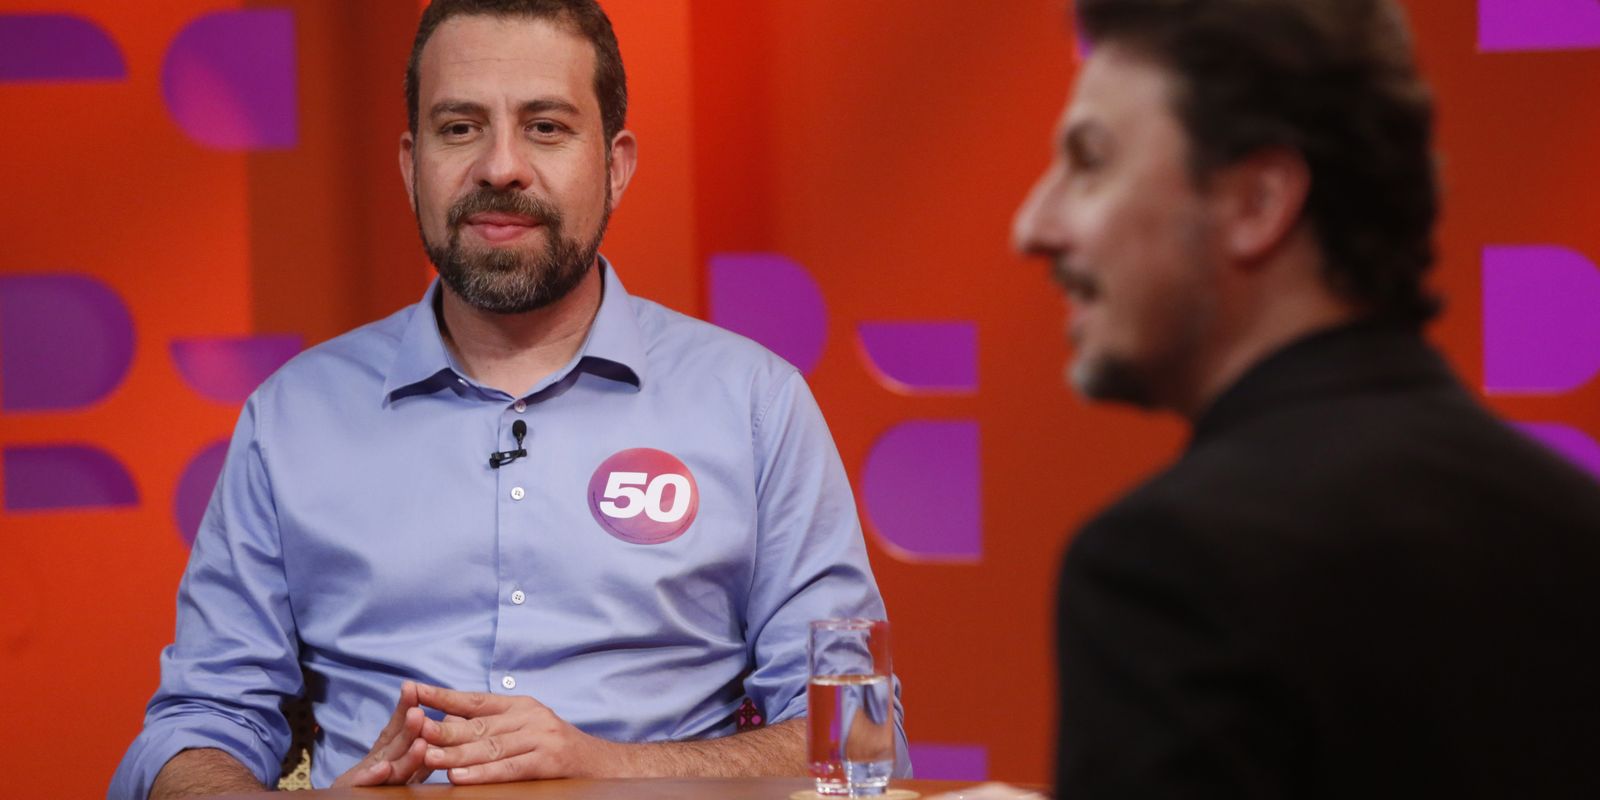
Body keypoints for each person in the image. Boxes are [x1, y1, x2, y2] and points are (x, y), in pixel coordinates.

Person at [110, 1, 907, 797]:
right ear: (410, 164)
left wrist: (609, 768)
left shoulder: (756, 406)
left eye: (546, 127)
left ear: (616, 165)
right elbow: (195, 727)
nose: (500, 168)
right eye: (460, 128)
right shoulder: (291, 417)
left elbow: (862, 739)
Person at [1012, 0, 1600, 797]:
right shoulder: (1575, 524)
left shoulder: (1164, 565)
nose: (1034, 226)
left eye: (1091, 162)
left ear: (1258, 202)